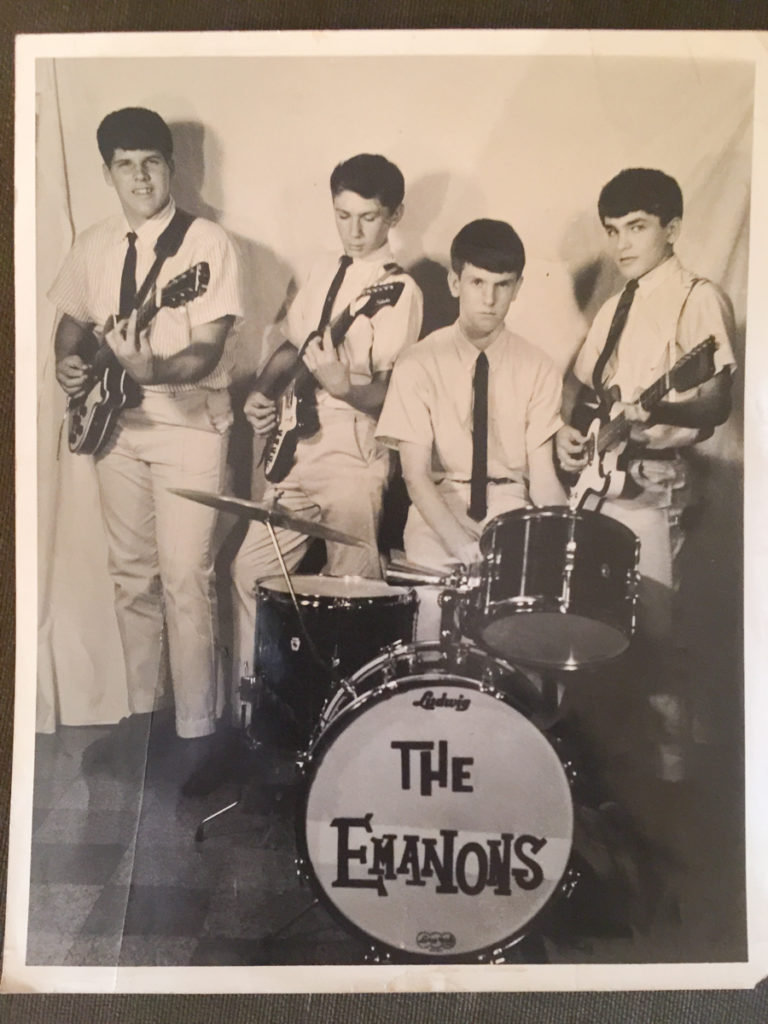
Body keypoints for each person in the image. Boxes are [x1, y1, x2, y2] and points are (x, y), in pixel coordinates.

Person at [50, 107, 242, 781]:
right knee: (132, 577)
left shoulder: (206, 245)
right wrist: (66, 363)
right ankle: (144, 720)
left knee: (186, 577)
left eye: (152, 162)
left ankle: (196, 736)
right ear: (107, 173)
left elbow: (207, 350)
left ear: (172, 167)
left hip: (188, 424)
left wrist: (153, 370)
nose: (140, 176)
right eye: (126, 164)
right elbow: (70, 323)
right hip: (116, 430)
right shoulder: (95, 243)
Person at [555, 167, 736, 785]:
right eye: (613, 231)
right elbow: (582, 387)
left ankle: (674, 788)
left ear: (673, 228)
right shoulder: (614, 304)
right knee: (597, 626)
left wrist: (656, 408)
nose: (623, 243)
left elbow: (715, 404)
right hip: (604, 485)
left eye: (637, 227)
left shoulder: (696, 297)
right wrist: (574, 433)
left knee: (658, 634)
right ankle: (608, 769)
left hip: (659, 489)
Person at [231, 154, 423, 712]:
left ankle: (352, 725)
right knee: (252, 574)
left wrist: (341, 384)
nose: (355, 230)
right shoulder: (322, 271)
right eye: (343, 215)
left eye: (369, 217)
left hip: (354, 452)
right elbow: (293, 346)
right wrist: (262, 393)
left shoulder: (399, 290)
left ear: (395, 216)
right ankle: (258, 716)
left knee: (355, 594)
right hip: (298, 450)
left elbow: (390, 394)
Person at [376, 218, 566, 639]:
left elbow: (545, 480)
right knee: (428, 624)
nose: (490, 299)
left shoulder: (539, 367)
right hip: (438, 511)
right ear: (454, 282)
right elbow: (415, 475)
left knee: (522, 636)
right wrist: (459, 543)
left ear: (518, 287)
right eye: (478, 282)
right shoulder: (418, 363)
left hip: (510, 509)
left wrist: (562, 539)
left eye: (503, 285)